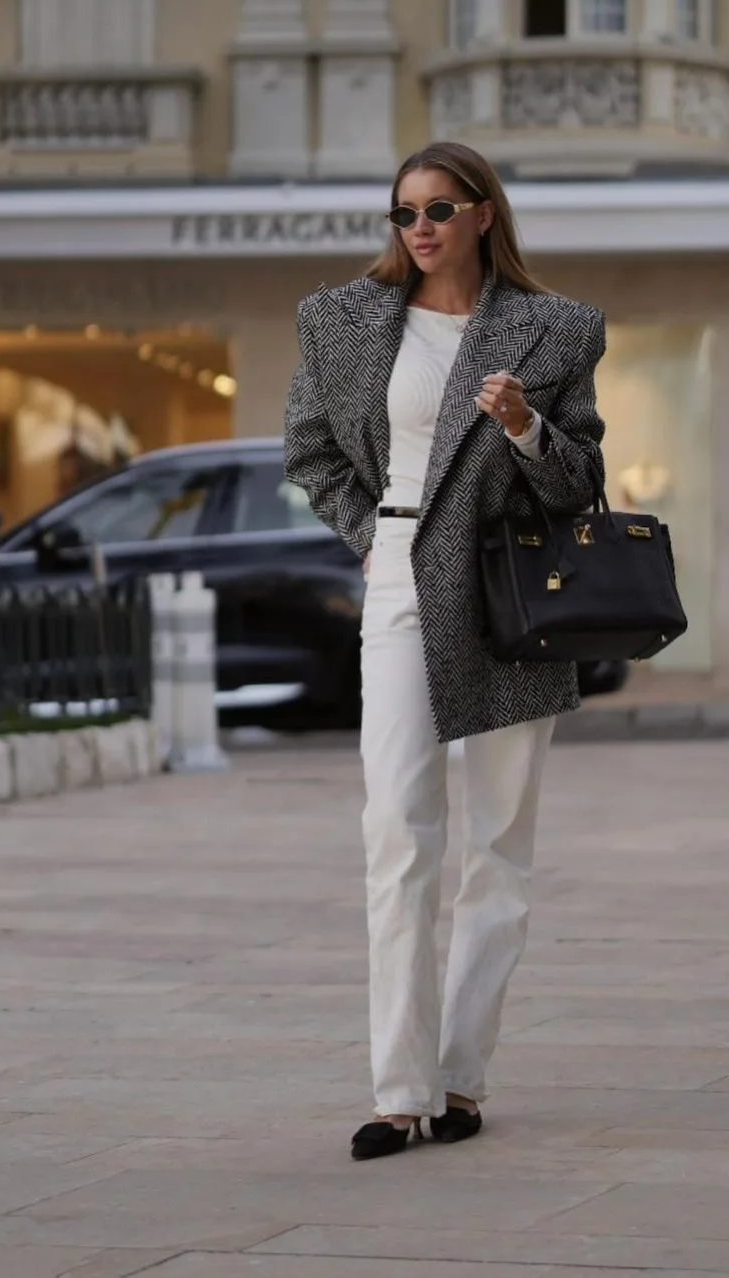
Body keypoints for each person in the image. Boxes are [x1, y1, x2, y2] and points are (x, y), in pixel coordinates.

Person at [284, 141, 606, 1161]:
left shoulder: (554, 329)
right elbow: (310, 448)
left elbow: (581, 480)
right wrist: (374, 531)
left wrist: (524, 429)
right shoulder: (339, 323)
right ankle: (399, 1090)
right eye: (403, 212)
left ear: (480, 214)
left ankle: (461, 1078)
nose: (417, 227)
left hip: (510, 592)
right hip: (399, 582)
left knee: (498, 845)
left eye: (437, 208)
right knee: (397, 829)